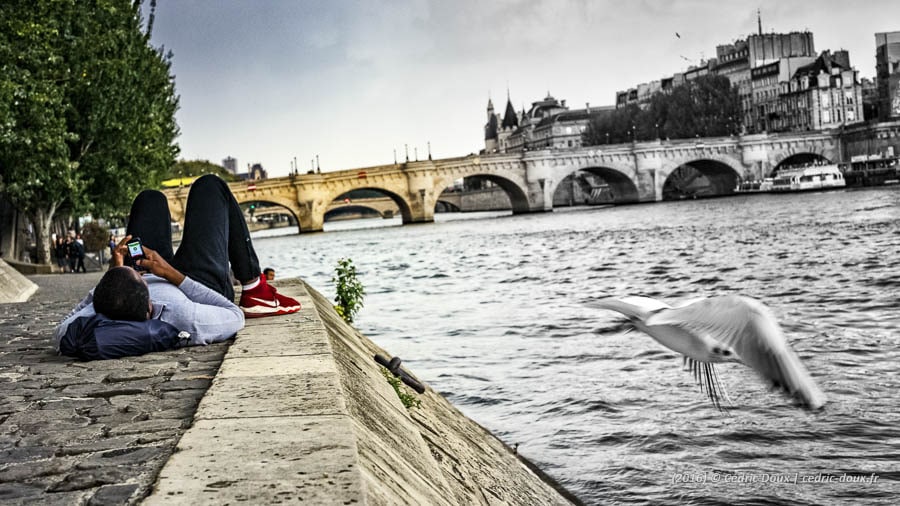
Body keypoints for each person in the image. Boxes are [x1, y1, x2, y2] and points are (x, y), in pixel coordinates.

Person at [54, 174, 300, 352]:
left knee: (149, 199)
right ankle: (256, 288)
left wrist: (116, 273)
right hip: (195, 286)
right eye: (135, 275)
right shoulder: (184, 316)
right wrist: (172, 274)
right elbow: (234, 315)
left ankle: (130, 272)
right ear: (150, 305)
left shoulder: (81, 325)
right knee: (210, 186)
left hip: (140, 283)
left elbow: (64, 326)